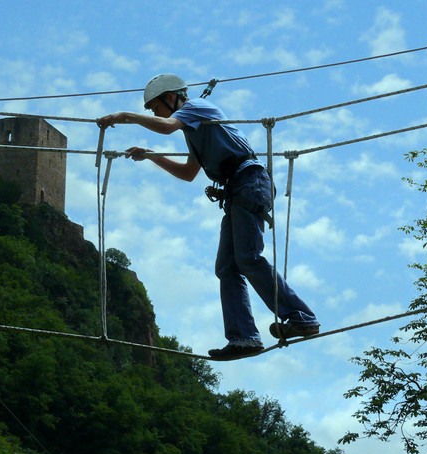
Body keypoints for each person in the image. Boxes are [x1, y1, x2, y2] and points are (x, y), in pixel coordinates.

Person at [96, 74, 319, 360]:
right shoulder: (193, 131)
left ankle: (302, 317)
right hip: (237, 188)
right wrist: (151, 156)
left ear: (172, 97)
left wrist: (127, 116)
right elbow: (188, 173)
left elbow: (165, 127)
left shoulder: (196, 108)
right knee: (227, 267)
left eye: (154, 106)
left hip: (248, 181)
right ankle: (244, 338)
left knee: (248, 258)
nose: (152, 112)